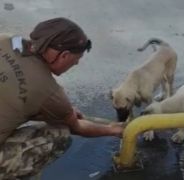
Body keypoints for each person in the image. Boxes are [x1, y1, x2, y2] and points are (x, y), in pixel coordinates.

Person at [0, 17, 124, 179]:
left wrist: (49, 110)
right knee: (60, 132)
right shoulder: (49, 92)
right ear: (64, 55)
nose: (76, 64)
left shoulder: (5, 39)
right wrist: (113, 129)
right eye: (76, 60)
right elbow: (77, 127)